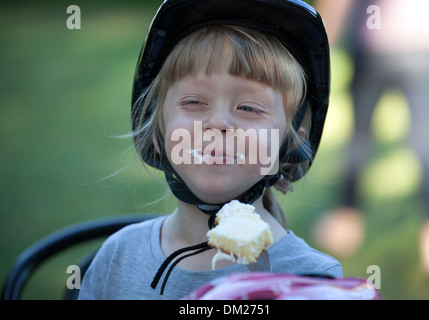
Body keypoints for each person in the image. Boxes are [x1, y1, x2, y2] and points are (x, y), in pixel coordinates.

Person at [78, 0, 342, 300]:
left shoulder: (313, 282)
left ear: (290, 143)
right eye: (194, 102)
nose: (218, 123)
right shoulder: (117, 258)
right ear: (157, 131)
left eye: (249, 107)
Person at [314, 0, 429, 276]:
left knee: (360, 138)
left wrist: (322, 43)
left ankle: (346, 223)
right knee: (427, 145)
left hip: (377, 46)